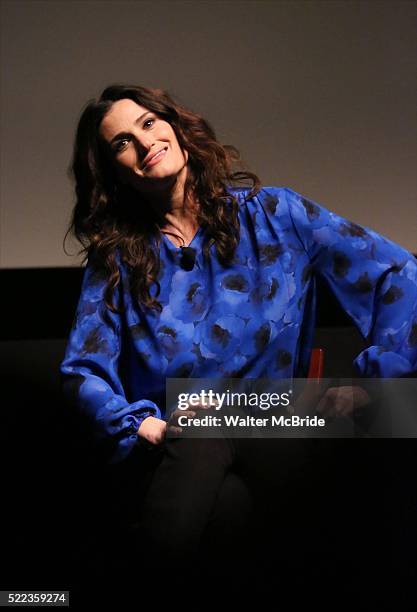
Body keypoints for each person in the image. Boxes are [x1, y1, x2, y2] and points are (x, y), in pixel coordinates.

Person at [60, 84, 417, 583]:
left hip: (284, 422)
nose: (143, 143)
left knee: (400, 417)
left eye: (148, 123)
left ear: (177, 128)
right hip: (181, 442)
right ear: (112, 171)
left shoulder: (276, 215)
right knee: (225, 503)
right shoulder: (117, 260)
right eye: (121, 142)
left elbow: (398, 276)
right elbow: (83, 373)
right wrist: (147, 426)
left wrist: (375, 382)